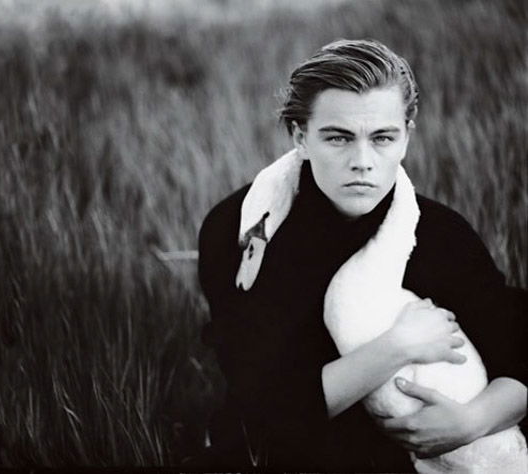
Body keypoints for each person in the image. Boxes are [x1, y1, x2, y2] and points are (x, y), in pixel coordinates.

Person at [196, 39, 527, 471]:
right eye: (338, 138)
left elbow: (517, 354)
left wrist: (470, 422)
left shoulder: (440, 236)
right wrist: (396, 346)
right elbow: (268, 407)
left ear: (407, 136)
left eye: (383, 137)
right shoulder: (241, 229)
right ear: (300, 136)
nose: (363, 162)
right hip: (283, 454)